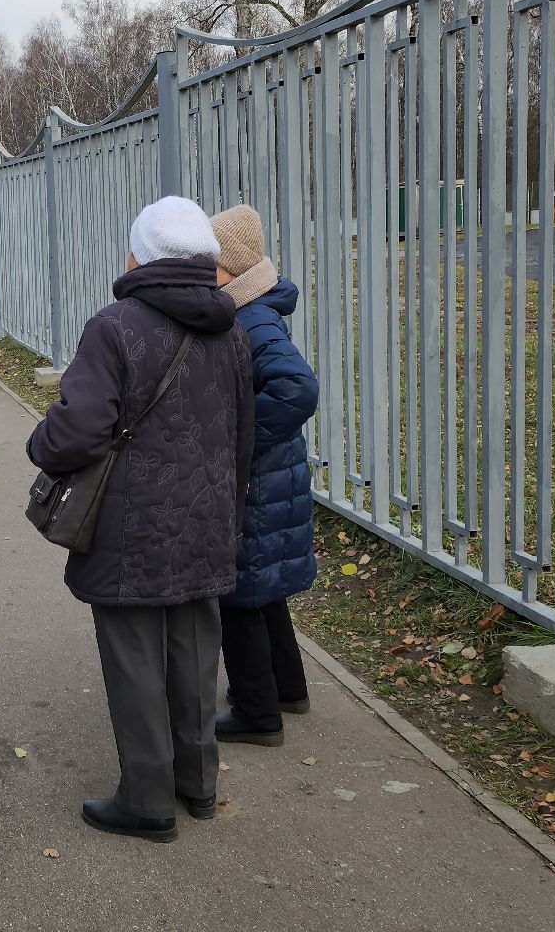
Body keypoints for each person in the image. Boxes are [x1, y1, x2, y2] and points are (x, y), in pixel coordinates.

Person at [26, 195, 253, 843]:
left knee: (134, 663)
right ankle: (198, 784)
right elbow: (244, 430)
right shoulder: (230, 324)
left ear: (140, 255)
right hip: (207, 520)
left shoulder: (115, 326)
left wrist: (41, 443)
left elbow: (76, 434)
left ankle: (148, 802)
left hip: (130, 526)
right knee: (193, 655)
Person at [207, 204, 320, 747]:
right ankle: (287, 689)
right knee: (263, 587)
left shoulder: (251, 320)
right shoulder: (253, 313)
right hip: (272, 476)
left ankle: (257, 712)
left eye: (210, 261)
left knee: (239, 592)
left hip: (258, 476)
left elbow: (297, 388)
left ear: (229, 267)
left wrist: (242, 437)